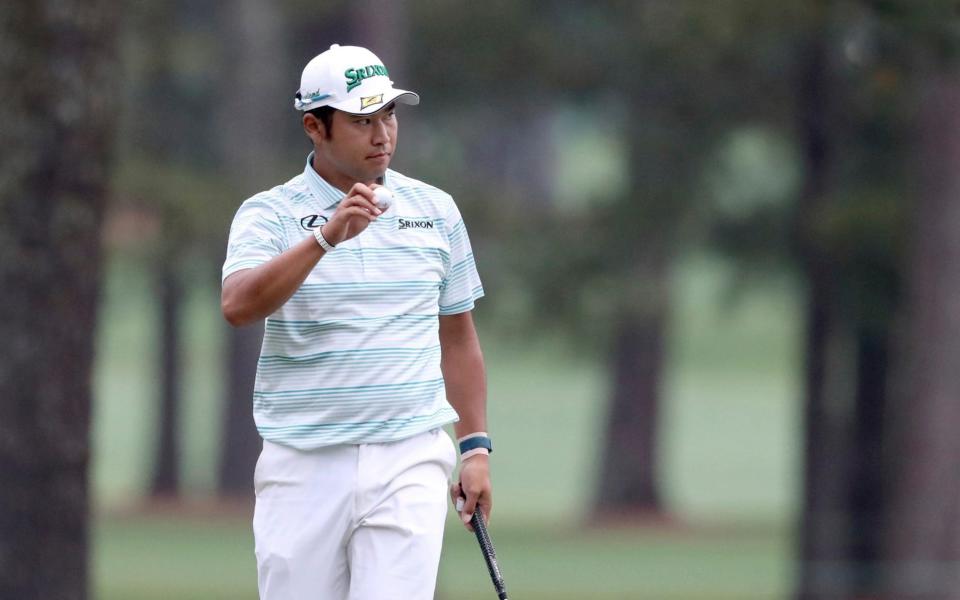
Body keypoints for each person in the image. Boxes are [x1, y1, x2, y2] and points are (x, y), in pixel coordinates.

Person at [220, 44, 493, 599]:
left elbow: (458, 338)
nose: (382, 135)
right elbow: (238, 305)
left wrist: (475, 449)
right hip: (304, 463)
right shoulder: (267, 213)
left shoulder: (435, 211)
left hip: (409, 455)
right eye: (361, 120)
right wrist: (323, 239)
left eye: (388, 115)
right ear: (314, 127)